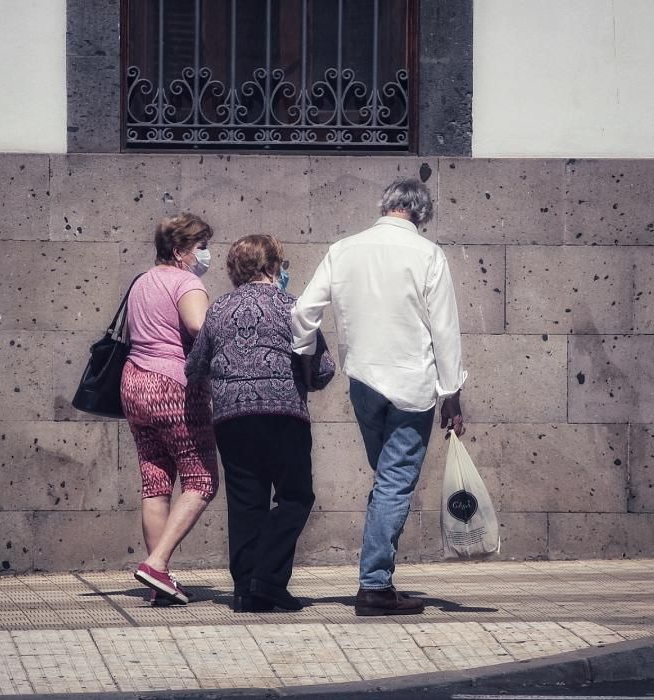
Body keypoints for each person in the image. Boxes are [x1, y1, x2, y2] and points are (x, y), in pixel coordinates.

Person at [291, 178, 466, 617]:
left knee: (386, 478)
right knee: (394, 480)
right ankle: (374, 585)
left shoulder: (345, 249)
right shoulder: (428, 254)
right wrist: (452, 393)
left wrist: (306, 358)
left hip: (364, 381)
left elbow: (303, 312)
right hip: (412, 385)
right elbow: (444, 328)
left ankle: (379, 575)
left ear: (385, 206)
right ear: (421, 214)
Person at [186, 235, 334, 613]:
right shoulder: (293, 306)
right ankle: (267, 581)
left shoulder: (218, 310)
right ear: (272, 266)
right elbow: (323, 369)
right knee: (295, 496)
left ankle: (245, 591)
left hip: (232, 417)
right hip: (284, 414)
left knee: (245, 502)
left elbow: (195, 366)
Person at [121, 213, 219, 605]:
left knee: (156, 480)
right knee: (201, 480)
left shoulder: (141, 281)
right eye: (201, 247)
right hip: (173, 387)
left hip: (133, 384)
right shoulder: (186, 282)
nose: (205, 255)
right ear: (180, 252)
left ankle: (157, 581)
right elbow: (199, 327)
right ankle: (157, 563)